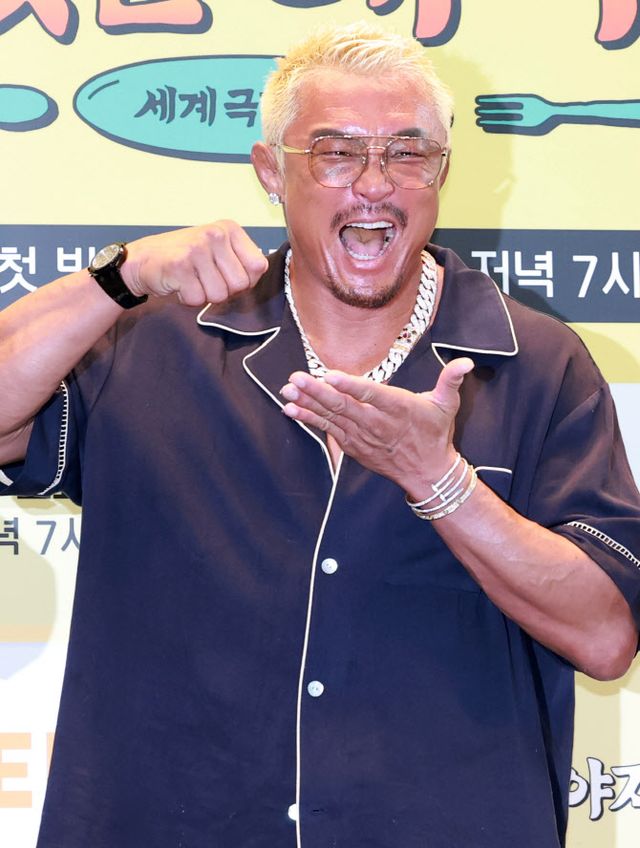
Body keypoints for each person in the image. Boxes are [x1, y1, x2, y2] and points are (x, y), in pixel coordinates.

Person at [0, 22, 639, 848]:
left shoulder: (537, 363)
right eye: (335, 153)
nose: (374, 185)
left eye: (408, 153)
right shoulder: (151, 341)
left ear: (443, 171)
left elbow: (605, 635)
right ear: (271, 171)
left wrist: (443, 484)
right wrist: (115, 280)